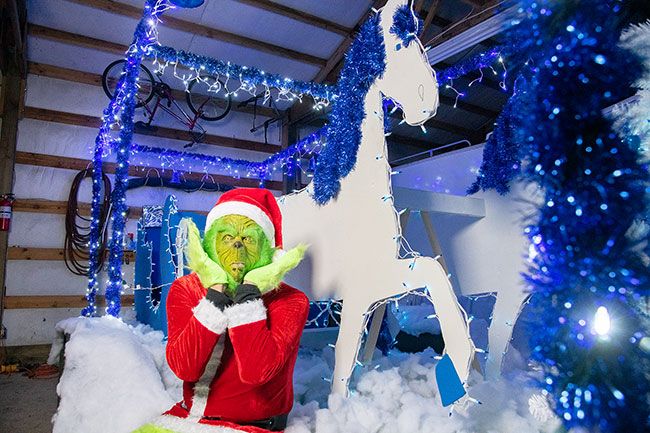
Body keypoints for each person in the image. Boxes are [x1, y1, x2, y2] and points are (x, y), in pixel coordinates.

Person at [134, 188, 309, 433]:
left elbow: (257, 371)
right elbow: (185, 367)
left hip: (257, 426)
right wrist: (214, 300)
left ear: (267, 249)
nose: (236, 245)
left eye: (248, 238)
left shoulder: (291, 300)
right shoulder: (186, 289)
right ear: (210, 243)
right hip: (191, 418)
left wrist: (248, 296)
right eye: (226, 237)